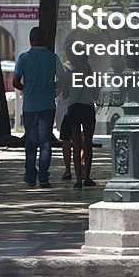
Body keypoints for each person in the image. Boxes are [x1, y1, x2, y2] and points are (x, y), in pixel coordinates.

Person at [12, 26, 67, 188]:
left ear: (31, 39)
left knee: (30, 142)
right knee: (45, 142)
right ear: (44, 40)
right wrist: (51, 88)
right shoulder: (52, 58)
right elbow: (63, 79)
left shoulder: (24, 58)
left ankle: (30, 175)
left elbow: (15, 82)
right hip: (47, 105)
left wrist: (27, 89)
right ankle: (43, 177)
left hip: (30, 106)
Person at [63, 47, 97, 189]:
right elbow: (95, 94)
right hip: (88, 109)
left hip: (74, 110)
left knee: (76, 146)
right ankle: (87, 177)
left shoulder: (68, 74)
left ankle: (78, 180)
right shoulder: (91, 74)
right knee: (87, 145)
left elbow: (65, 95)